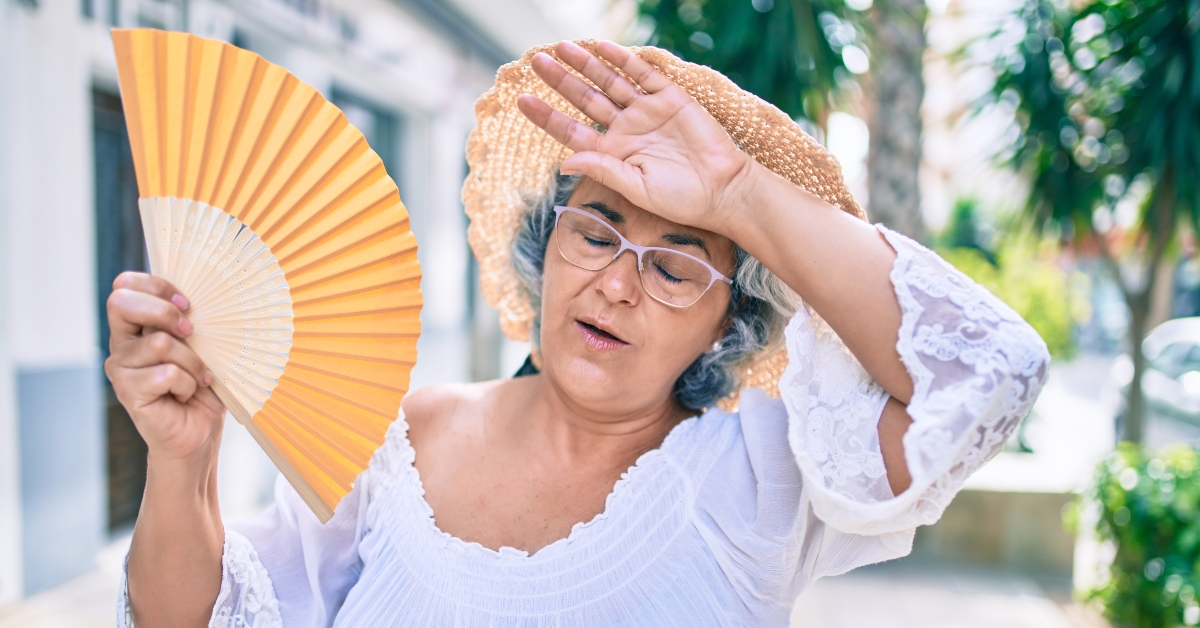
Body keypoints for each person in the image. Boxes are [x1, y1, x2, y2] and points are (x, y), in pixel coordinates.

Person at [107, 41, 1049, 627]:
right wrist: (180, 462)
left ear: (732, 321)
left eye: (678, 266)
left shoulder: (761, 479)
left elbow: (992, 369)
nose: (617, 283)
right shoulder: (398, 437)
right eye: (596, 231)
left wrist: (737, 195)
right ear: (542, 244)